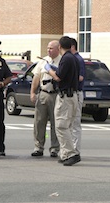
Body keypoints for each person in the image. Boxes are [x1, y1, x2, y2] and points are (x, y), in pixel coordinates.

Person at [45, 36, 80, 166]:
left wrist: (49, 70)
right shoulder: (74, 58)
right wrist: (55, 69)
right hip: (72, 95)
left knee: (61, 126)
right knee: (68, 126)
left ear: (60, 47)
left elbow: (59, 77)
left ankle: (71, 153)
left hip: (66, 97)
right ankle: (65, 154)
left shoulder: (66, 58)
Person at [30, 40, 61, 158]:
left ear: (58, 49)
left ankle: (54, 149)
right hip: (43, 93)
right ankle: (38, 147)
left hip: (56, 94)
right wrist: (33, 93)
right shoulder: (43, 61)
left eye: (51, 48)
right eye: (48, 48)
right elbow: (36, 78)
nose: (49, 50)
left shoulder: (61, 61)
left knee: (55, 123)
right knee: (39, 122)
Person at [70, 38, 85, 157]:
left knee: (75, 123)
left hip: (77, 93)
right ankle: (70, 149)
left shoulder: (78, 59)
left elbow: (81, 77)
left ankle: (75, 150)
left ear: (72, 47)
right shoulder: (73, 59)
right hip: (71, 94)